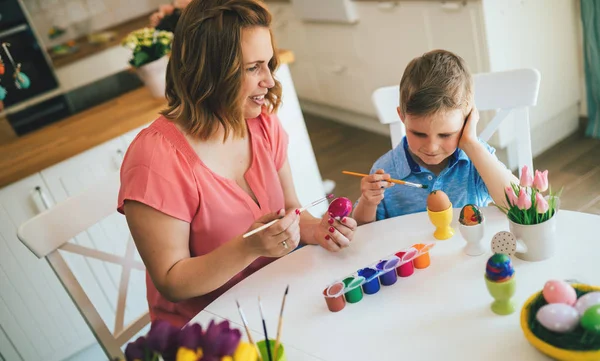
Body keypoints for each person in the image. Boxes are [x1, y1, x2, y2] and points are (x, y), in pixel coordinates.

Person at [118, 0, 357, 327]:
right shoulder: (155, 159)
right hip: (209, 328)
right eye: (252, 67)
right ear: (208, 72)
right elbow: (172, 281)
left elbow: (291, 210)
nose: (269, 81)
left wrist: (317, 229)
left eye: (268, 64)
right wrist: (249, 248)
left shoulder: (262, 124)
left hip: (275, 300)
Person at [353, 49, 518, 225]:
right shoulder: (386, 169)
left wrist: (471, 144)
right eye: (419, 134)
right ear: (402, 117)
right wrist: (368, 201)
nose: (431, 147)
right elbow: (364, 230)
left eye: (446, 135)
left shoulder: (476, 160)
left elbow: (519, 206)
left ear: (466, 121)